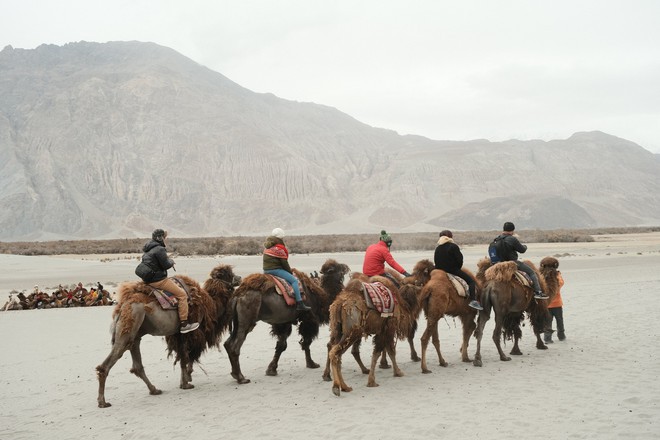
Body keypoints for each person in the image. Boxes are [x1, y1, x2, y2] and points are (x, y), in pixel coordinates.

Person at [138, 229, 200, 333]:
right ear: (160, 237)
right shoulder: (159, 249)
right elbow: (166, 265)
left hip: (148, 281)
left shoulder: (148, 249)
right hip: (159, 281)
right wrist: (171, 261)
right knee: (182, 294)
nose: (165, 239)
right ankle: (184, 324)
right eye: (164, 237)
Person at [495, 222, 549, 300]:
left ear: (503, 229)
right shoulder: (512, 238)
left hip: (498, 264)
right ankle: (538, 292)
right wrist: (525, 246)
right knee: (532, 273)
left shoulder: (497, 239)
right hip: (512, 263)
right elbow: (522, 250)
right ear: (512, 230)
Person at [263, 228, 311, 311]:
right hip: (275, 270)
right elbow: (284, 263)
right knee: (294, 281)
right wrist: (289, 272)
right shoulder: (279, 248)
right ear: (280, 238)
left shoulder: (267, 247)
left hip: (266, 270)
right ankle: (300, 303)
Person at [434, 230, 483, 310]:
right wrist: (457, 268)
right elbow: (459, 260)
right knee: (471, 282)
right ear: (450, 237)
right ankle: (473, 301)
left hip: (439, 271)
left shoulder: (438, 248)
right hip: (452, 270)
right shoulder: (453, 246)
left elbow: (436, 261)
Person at [544, 260, 566, 343]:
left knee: (547, 322)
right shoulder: (556, 277)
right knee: (559, 320)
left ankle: (547, 338)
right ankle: (561, 336)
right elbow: (561, 283)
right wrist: (558, 274)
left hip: (546, 304)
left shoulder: (542, 277)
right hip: (557, 304)